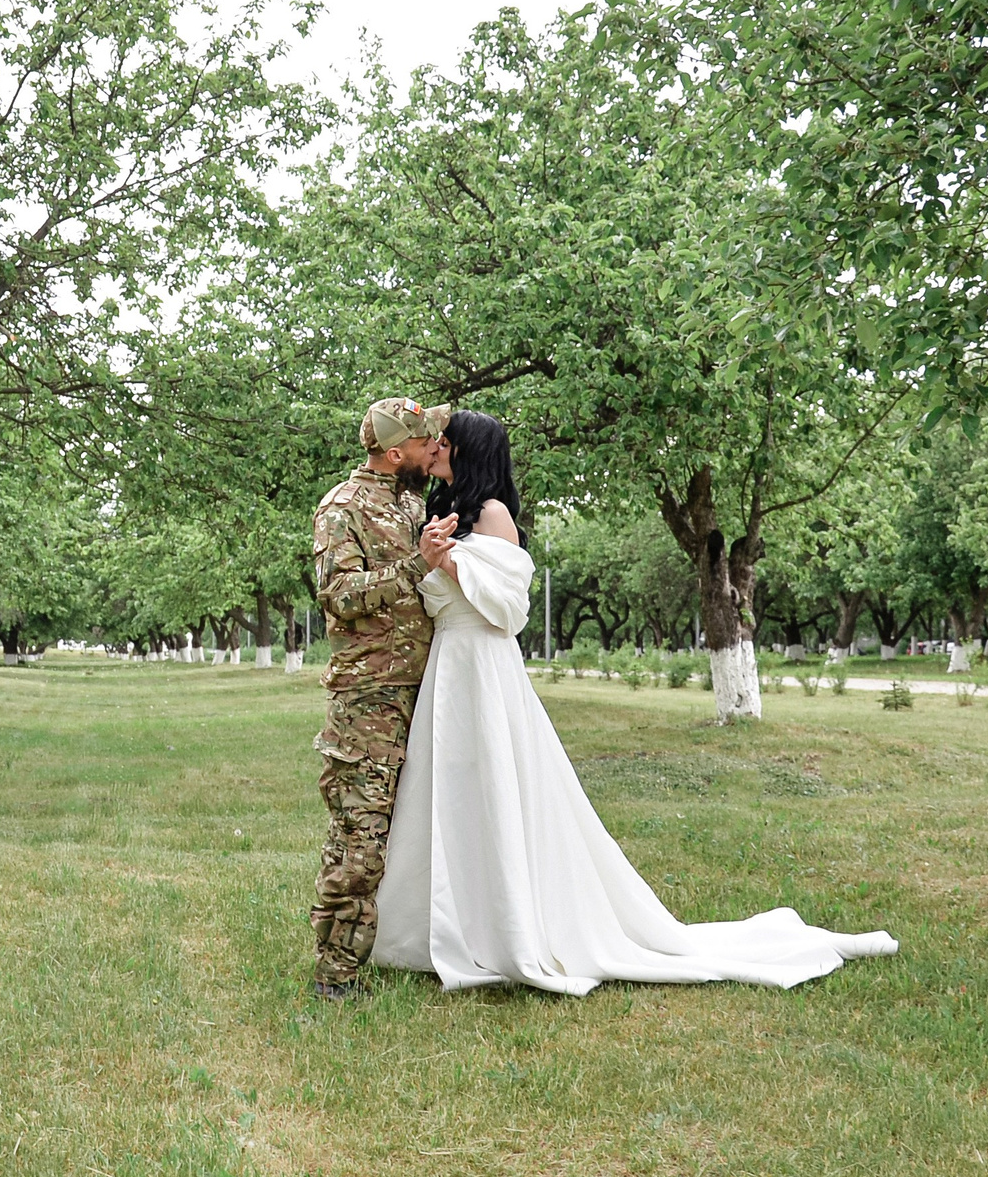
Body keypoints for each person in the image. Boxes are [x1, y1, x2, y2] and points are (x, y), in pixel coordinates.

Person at [371, 408, 898, 995]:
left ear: (471, 451)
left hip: (483, 668)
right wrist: (429, 557)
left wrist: (449, 564)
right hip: (448, 667)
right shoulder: (441, 515)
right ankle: (446, 927)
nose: (435, 448)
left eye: (445, 441)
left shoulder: (493, 515)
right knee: (451, 792)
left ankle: (509, 930)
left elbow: (508, 610)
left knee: (493, 788)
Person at [307, 397, 449, 1000]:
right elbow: (337, 595)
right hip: (370, 699)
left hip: (421, 692)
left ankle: (401, 947)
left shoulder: (413, 502)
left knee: (404, 830)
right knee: (361, 837)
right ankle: (335, 973)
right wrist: (416, 566)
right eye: (424, 443)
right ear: (397, 453)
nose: (431, 449)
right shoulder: (342, 508)